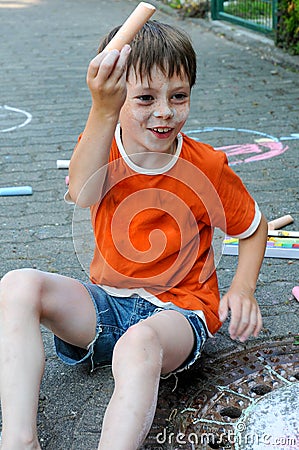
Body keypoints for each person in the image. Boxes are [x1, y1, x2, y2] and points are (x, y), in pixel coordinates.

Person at [0, 20, 267, 450]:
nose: (164, 111)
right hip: (109, 308)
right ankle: (18, 441)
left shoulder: (208, 167)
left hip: (179, 315)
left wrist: (244, 288)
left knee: (138, 343)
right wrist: (101, 110)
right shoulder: (102, 142)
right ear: (115, 97)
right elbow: (82, 194)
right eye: (145, 98)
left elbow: (254, 227)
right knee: (16, 285)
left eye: (178, 96)